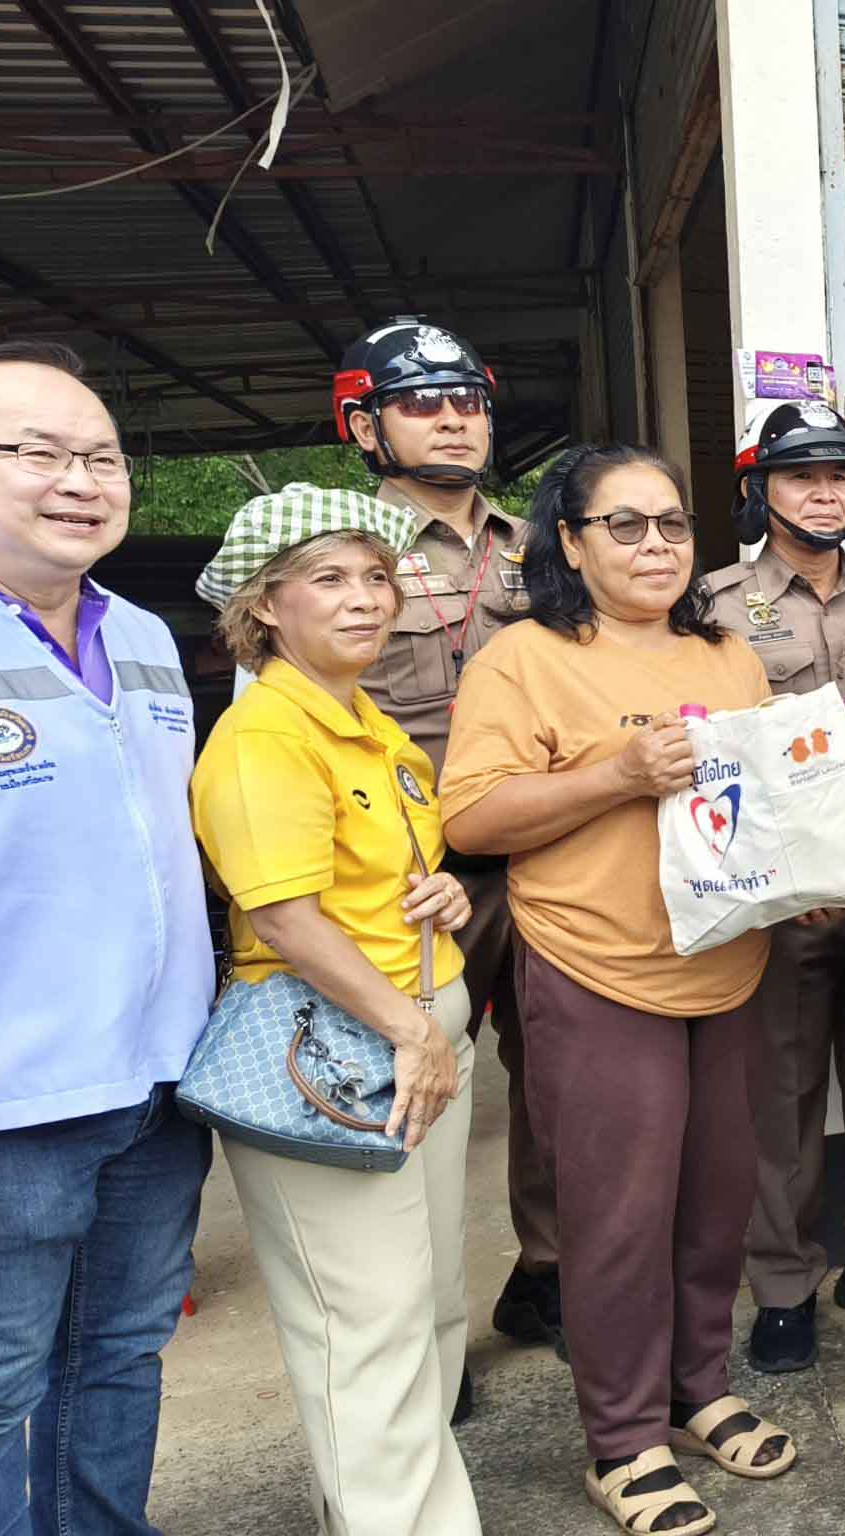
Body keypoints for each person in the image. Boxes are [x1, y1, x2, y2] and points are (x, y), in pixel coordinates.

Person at [441, 446, 796, 1536]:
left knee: (715, 1202)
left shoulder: (728, 653)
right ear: (570, 540)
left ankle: (698, 1390)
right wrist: (617, 776)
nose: (656, 546)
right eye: (625, 525)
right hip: (598, 965)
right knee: (619, 1218)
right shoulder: (525, 658)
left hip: (726, 964)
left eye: (672, 524)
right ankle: (625, 1438)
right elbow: (471, 819)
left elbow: (764, 799)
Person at [189, 488, 482, 1532]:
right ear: (266, 606)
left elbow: (376, 878)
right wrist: (409, 1028)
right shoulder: (265, 735)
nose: (367, 599)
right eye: (330, 579)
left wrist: (442, 894)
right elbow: (285, 917)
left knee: (427, 1309)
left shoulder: (369, 725)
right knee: (367, 1330)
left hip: (415, 1035)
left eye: (377, 577)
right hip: (338, 1052)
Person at [0, 339, 213, 1535]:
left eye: (103, 457)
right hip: (4, 1100)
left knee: (119, 1355)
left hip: (159, 1081)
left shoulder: (147, 636)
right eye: (37, 452)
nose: (79, 480)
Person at [331, 316, 558, 1365]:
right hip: (412, 878)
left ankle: (547, 1275)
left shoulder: (543, 546)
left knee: (559, 1083)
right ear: (364, 425)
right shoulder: (340, 551)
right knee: (413, 1099)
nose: (455, 419)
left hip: (542, 855)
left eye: (468, 400)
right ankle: (424, 1335)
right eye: (421, 402)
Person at [702, 400, 845, 1373]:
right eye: (802, 476)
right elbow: (719, 754)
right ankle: (785, 1287)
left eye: (840, 475)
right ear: (760, 491)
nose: (825, 492)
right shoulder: (717, 602)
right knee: (782, 1097)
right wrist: (796, 872)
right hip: (787, 892)